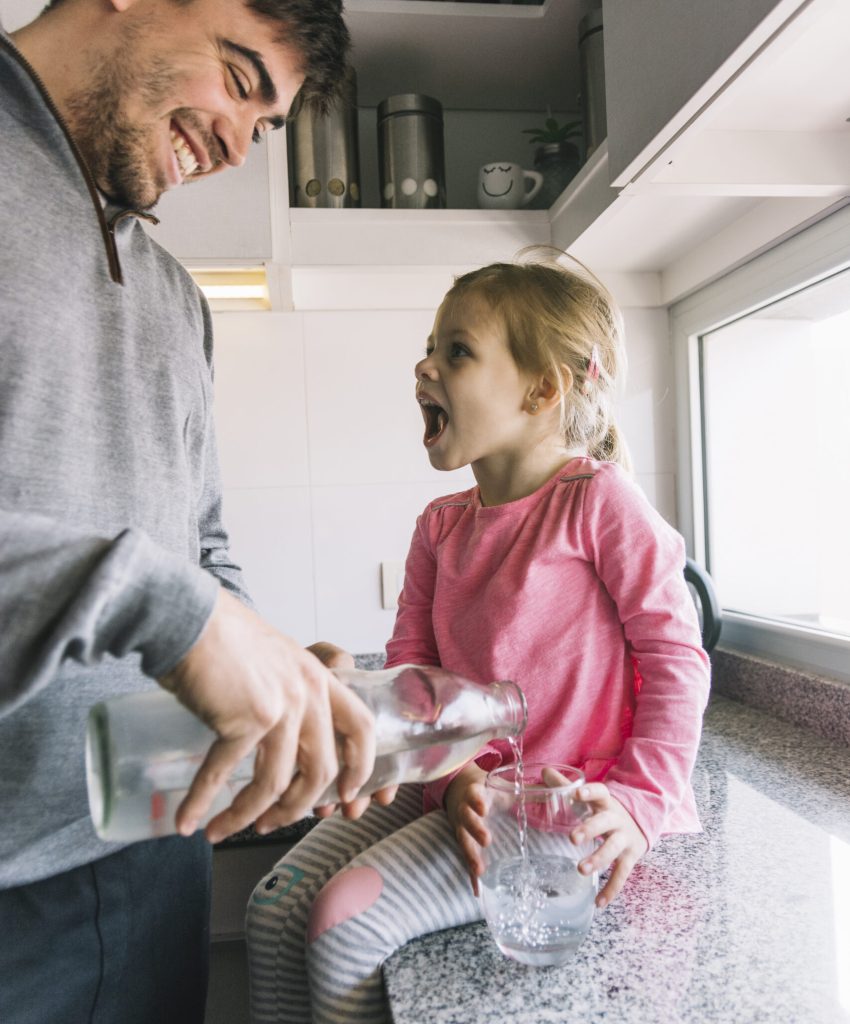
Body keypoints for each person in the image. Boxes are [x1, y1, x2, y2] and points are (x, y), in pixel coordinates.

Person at [0, 1, 377, 1021]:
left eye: (265, 127)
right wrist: (176, 611)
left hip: (155, 853)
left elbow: (198, 545)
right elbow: (167, 591)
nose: (237, 145)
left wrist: (277, 669)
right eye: (240, 79)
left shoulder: (176, 298)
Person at [245, 250, 712, 1024]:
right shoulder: (439, 527)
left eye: (455, 350)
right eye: (431, 347)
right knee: (273, 907)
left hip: (565, 815)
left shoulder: (599, 503)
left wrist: (639, 803)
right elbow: (411, 680)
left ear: (541, 388)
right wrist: (447, 778)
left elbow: (675, 659)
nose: (425, 366)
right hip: (460, 795)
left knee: (341, 924)